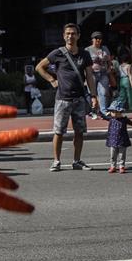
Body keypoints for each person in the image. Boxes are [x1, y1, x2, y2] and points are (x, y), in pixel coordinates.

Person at [35, 23, 98, 172]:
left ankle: (77, 161)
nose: (71, 36)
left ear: (78, 36)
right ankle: (56, 161)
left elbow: (89, 76)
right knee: (59, 131)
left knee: (79, 131)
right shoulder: (58, 53)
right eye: (68, 33)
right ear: (64, 36)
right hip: (62, 99)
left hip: (80, 98)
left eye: (73, 33)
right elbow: (39, 67)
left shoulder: (84, 54)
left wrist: (94, 96)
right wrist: (52, 80)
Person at [101, 98, 132, 174]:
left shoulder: (124, 119)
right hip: (112, 140)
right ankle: (113, 166)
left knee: (122, 155)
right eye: (111, 111)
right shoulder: (111, 119)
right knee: (113, 155)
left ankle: (121, 166)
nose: (111, 113)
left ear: (119, 112)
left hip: (122, 140)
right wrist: (97, 110)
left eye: (113, 111)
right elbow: (103, 116)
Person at [85, 31, 113, 118]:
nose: (98, 40)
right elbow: (84, 64)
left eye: (100, 39)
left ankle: (103, 110)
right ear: (92, 40)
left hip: (103, 73)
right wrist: (85, 75)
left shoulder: (105, 48)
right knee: (91, 93)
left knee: (104, 92)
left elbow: (109, 60)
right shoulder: (87, 50)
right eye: (96, 38)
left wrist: (109, 69)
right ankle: (92, 111)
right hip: (91, 74)